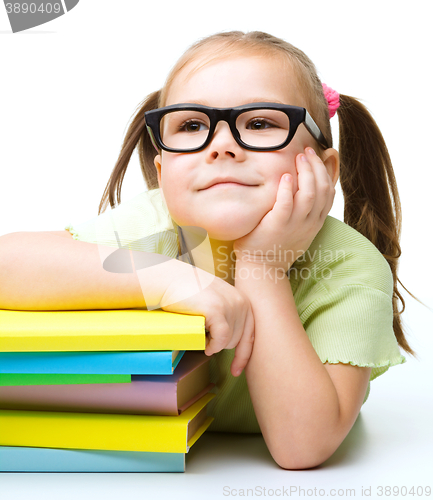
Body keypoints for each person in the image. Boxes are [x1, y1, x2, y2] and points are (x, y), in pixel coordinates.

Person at [0, 31, 418, 470]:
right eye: (191, 125)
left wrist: (261, 267)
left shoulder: (350, 265)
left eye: (260, 123)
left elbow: (302, 447)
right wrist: (166, 278)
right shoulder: (158, 226)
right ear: (162, 173)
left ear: (323, 168)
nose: (221, 145)